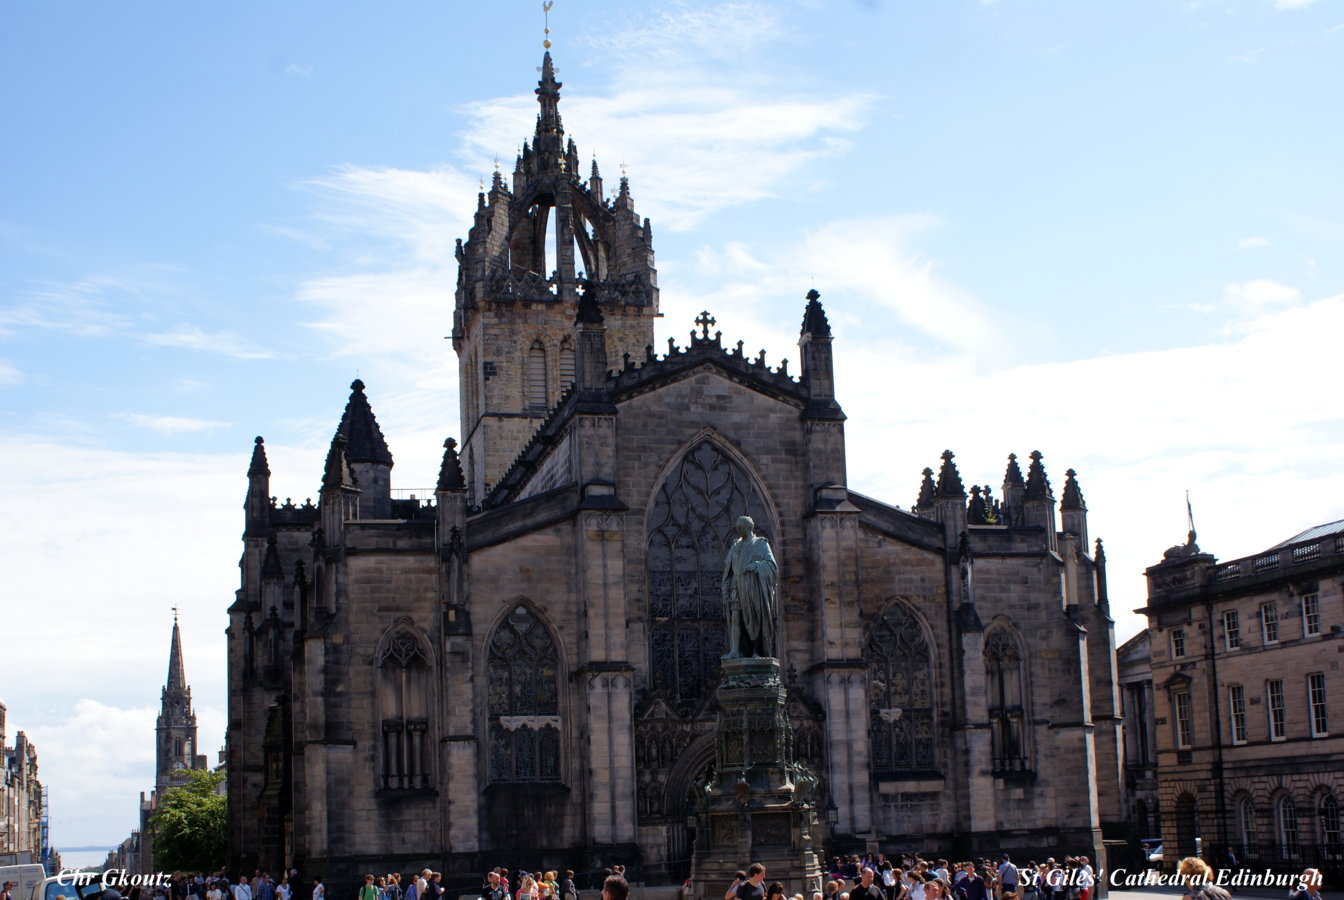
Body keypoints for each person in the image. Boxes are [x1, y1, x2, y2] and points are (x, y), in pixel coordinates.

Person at [721, 515, 778, 658]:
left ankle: (756, 651)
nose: (738, 529)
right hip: (736, 587)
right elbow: (728, 570)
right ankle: (735, 650)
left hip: (753, 588)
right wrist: (726, 589)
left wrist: (756, 566)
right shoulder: (735, 546)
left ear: (749, 527)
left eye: (740, 527)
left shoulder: (761, 544)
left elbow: (772, 566)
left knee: (756, 618)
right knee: (735, 617)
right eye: (737, 527)